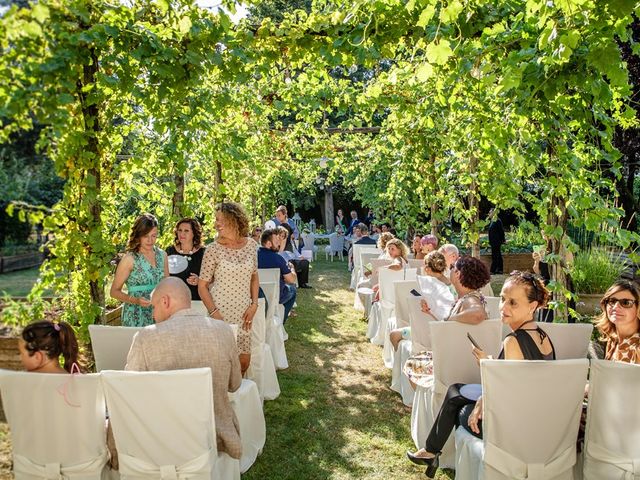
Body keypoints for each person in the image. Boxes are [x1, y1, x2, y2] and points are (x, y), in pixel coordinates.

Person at [407, 271, 555, 477]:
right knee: (455, 391)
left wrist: (483, 396)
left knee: (459, 407)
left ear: (533, 306)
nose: (503, 307)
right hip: (536, 419)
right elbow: (524, 379)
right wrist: (490, 364)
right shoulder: (542, 335)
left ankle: (434, 452)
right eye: (503, 299)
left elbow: (508, 394)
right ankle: (431, 451)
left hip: (512, 429)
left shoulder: (513, 341)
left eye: (513, 303)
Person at [126, 277, 242, 459]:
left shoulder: (145, 337)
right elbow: (234, 385)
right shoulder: (224, 331)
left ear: (165, 301)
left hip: (162, 440)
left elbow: (130, 390)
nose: (153, 315)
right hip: (214, 436)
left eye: (154, 307)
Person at [198, 202, 259, 375]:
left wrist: (254, 304)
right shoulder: (212, 250)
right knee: (220, 363)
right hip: (219, 313)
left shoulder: (251, 246)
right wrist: (214, 313)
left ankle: (236, 400)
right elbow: (202, 286)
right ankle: (220, 400)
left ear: (234, 220)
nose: (216, 224)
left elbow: (254, 276)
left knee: (244, 362)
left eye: (220, 220)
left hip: (244, 314)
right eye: (215, 219)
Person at [110, 213, 169, 327]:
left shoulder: (162, 255)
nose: (150, 240)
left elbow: (167, 285)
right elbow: (113, 292)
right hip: (135, 315)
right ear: (138, 236)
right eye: (146, 236)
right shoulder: (130, 259)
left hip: (159, 313)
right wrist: (135, 300)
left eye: (154, 236)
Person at [390, 251, 455, 349]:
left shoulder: (424, 287)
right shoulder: (453, 287)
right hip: (447, 329)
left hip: (426, 331)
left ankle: (402, 361)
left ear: (427, 269)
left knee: (394, 335)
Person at [258, 228, 298, 323]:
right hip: (276, 297)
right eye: (276, 242)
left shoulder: (252, 256)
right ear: (268, 243)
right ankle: (281, 321)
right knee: (292, 289)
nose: (279, 244)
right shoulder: (278, 259)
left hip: (256, 296)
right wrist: (292, 269)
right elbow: (291, 280)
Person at [596, 280, 640, 364]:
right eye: (612, 301)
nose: (616, 307)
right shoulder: (612, 340)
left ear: (638, 308)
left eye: (626, 302)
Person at [166, 218, 206, 301]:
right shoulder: (169, 251)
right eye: (180, 230)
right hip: (174, 301)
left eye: (186, 231)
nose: (182, 234)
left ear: (194, 233)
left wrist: (200, 281)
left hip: (198, 301)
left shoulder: (204, 253)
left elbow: (213, 279)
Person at [277, 224, 312, 288]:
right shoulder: (277, 242)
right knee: (291, 262)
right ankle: (291, 282)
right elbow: (279, 255)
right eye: (281, 235)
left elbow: (295, 250)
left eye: (284, 235)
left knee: (305, 262)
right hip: (286, 260)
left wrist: (300, 256)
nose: (283, 237)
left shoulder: (290, 241)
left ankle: (302, 283)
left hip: (294, 258)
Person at [487, 209, 505, 274]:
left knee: (495, 255)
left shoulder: (497, 221)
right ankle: (499, 270)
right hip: (493, 241)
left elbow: (501, 231)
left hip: (496, 241)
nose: (489, 214)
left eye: (490, 212)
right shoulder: (492, 221)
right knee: (498, 255)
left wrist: (503, 240)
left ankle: (493, 270)